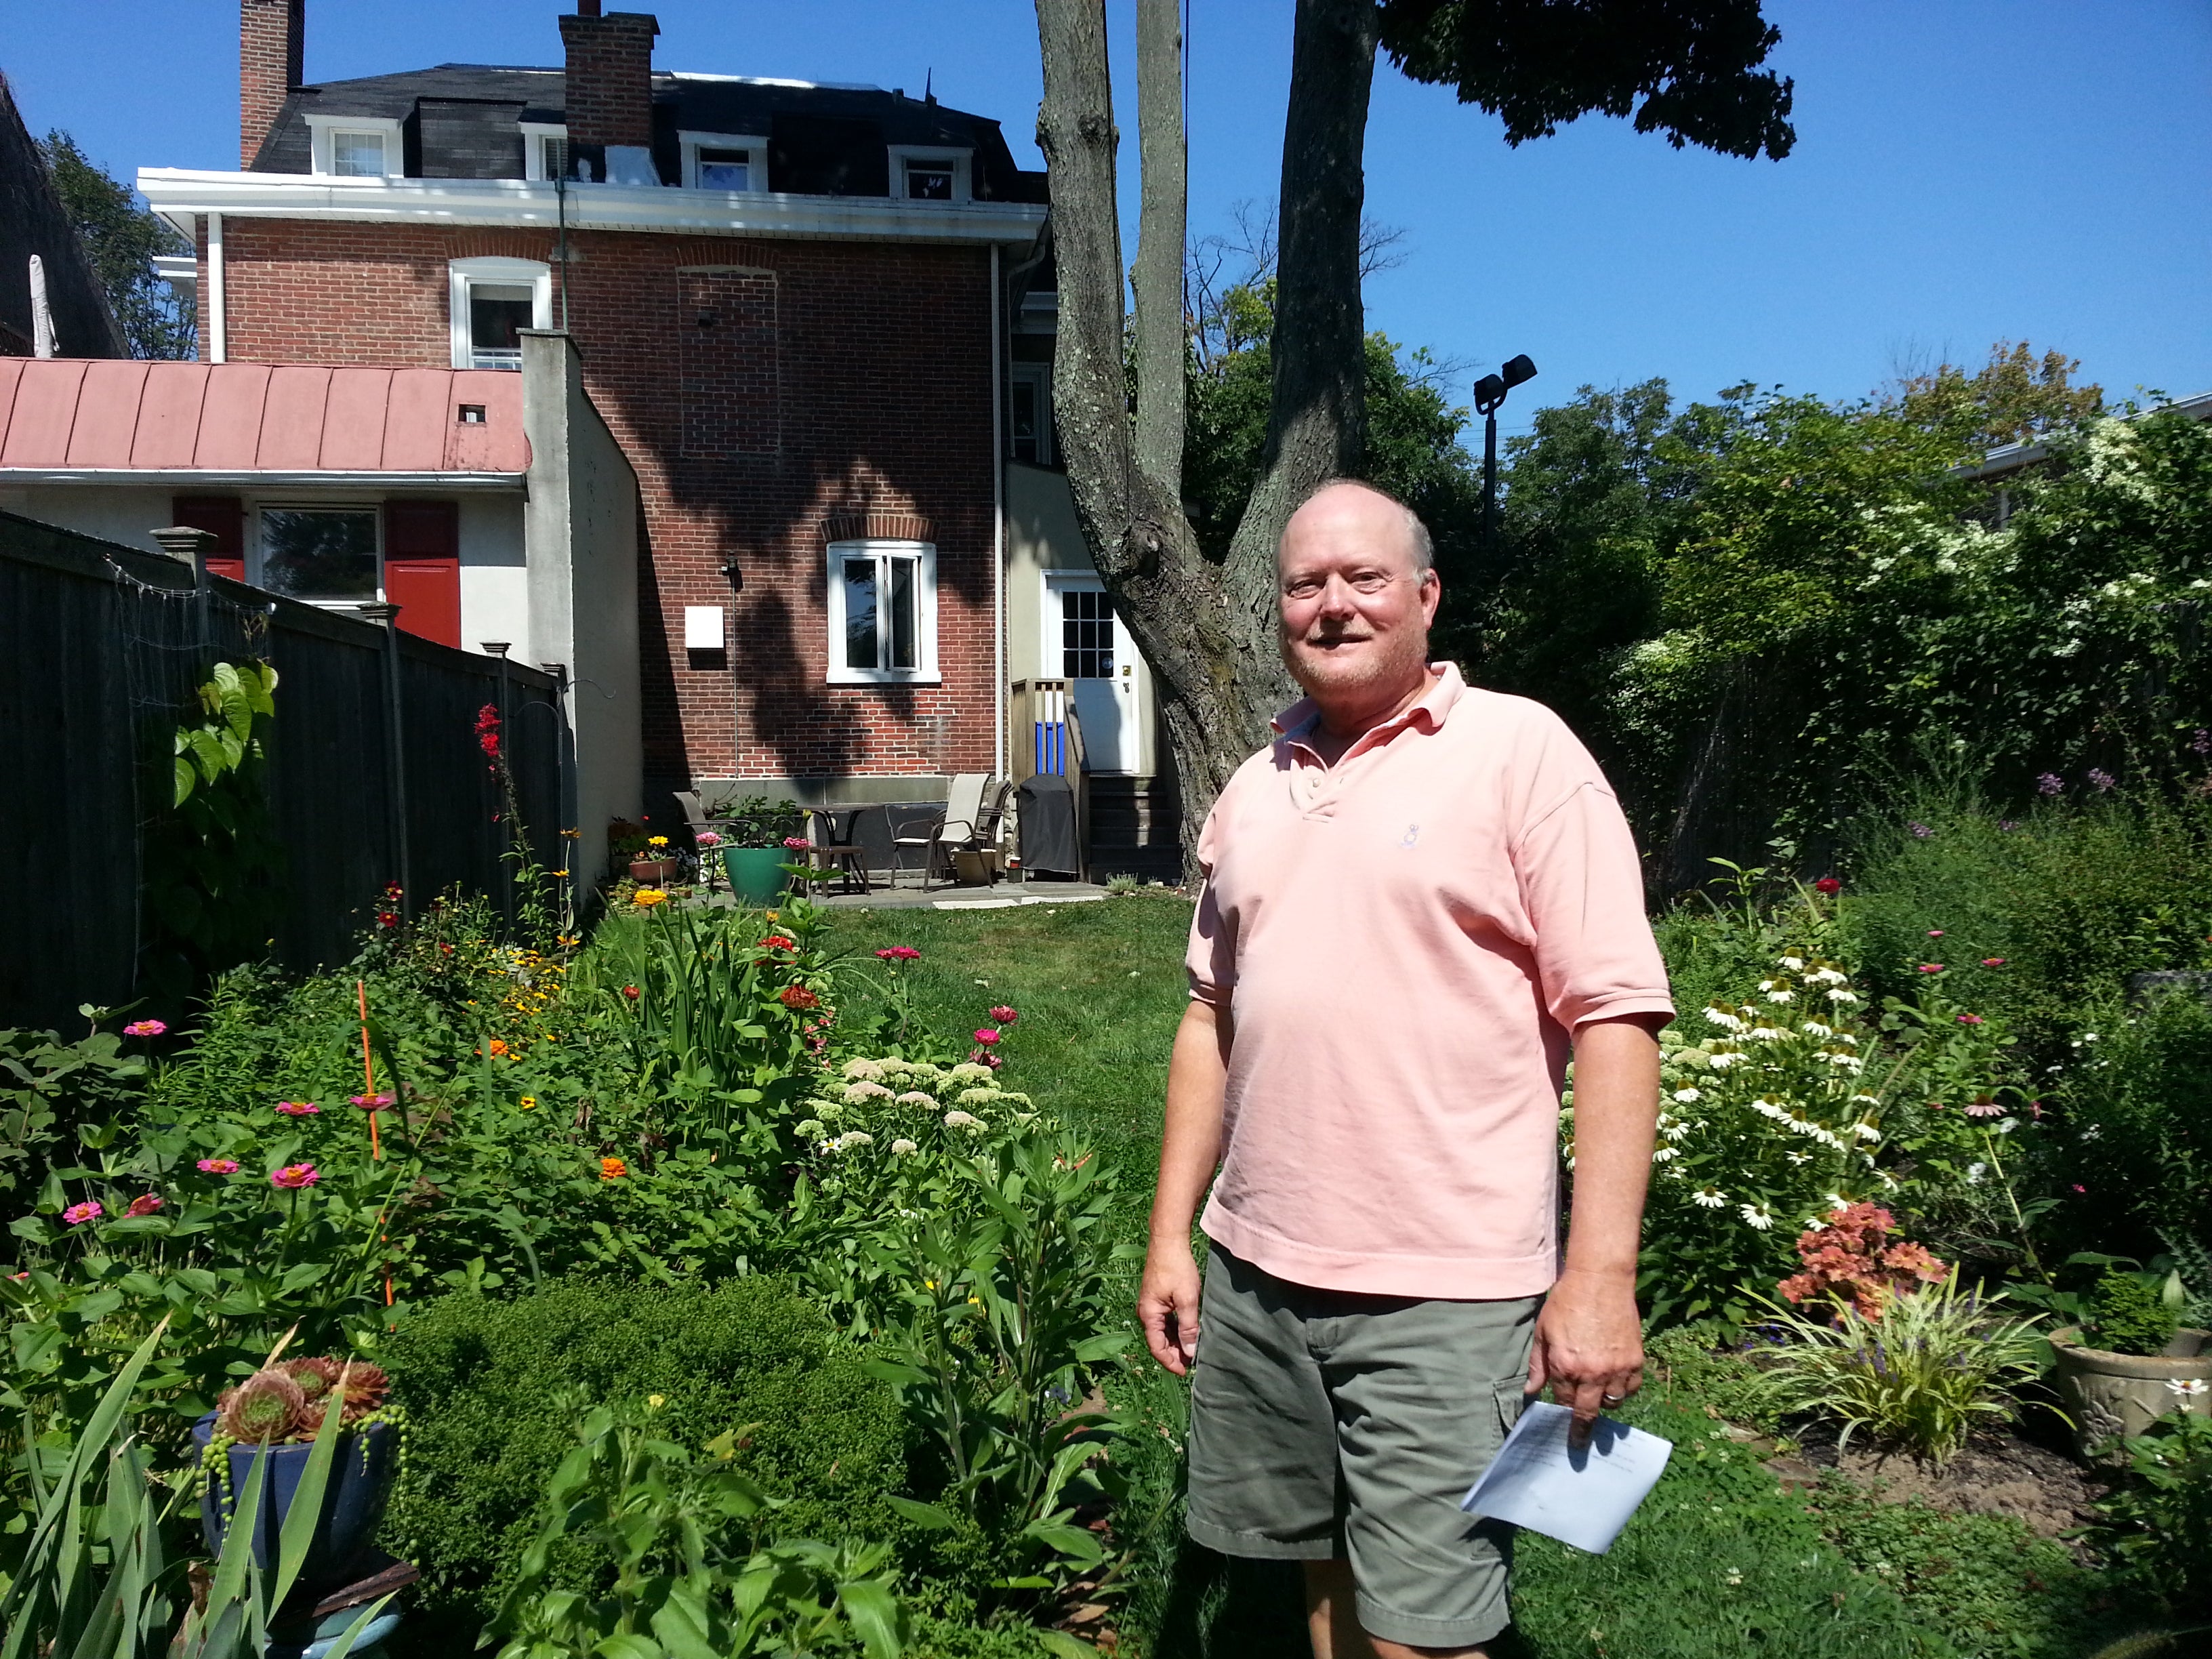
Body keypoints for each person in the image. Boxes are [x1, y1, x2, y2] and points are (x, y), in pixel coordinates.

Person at [1139, 478, 1674, 1658]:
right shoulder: (1255, 781)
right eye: (1305, 584)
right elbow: (1208, 1019)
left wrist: (1600, 1279)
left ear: (1426, 596)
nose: (1332, 606)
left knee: (1424, 1632)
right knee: (1319, 1571)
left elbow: (1617, 1018)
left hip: (1446, 1284)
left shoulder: (1521, 753)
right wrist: (1175, 1235)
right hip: (1259, 1265)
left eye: (1364, 579)